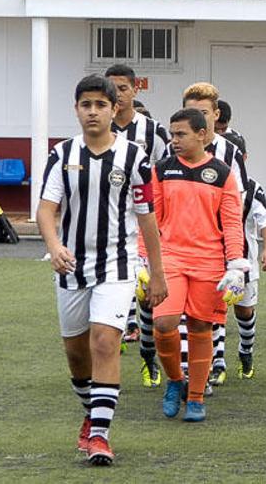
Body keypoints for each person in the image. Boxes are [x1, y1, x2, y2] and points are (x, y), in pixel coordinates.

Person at [36, 74, 168, 466]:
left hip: (118, 264)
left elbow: (147, 219)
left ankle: (99, 435)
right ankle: (90, 413)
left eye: (100, 105)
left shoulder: (135, 158)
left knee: (105, 343)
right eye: (85, 105)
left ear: (115, 109)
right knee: (76, 353)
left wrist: (157, 273)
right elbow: (47, 209)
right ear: (76, 109)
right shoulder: (61, 155)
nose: (92, 112)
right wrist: (54, 246)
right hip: (71, 266)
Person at [150, 108, 247, 423]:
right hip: (170, 258)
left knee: (200, 327)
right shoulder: (162, 170)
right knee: (164, 323)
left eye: (181, 134)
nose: (174, 140)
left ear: (202, 134)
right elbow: (150, 219)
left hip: (209, 260)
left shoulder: (222, 173)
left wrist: (235, 264)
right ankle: (175, 380)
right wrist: (144, 259)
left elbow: (232, 223)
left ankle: (195, 397)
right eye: (172, 134)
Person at [105, 64, 171, 388]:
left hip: (143, 220)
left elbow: (166, 172)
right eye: (112, 88)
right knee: (111, 287)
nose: (118, 94)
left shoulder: (152, 131)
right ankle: (112, 337)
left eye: (123, 87)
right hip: (107, 223)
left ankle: (148, 357)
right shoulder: (97, 129)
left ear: (135, 90)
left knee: (146, 293)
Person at [209, 175, 266, 384]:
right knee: (216, 312)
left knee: (243, 311)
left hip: (244, 264)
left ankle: (246, 351)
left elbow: (264, 219)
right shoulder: (209, 179)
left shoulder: (253, 187)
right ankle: (217, 364)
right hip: (214, 260)